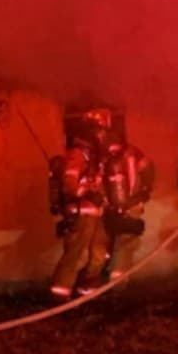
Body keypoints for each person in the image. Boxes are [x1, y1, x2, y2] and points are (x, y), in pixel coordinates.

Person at [49, 111, 109, 299]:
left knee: (99, 253)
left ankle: (87, 292)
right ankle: (60, 296)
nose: (102, 137)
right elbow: (69, 186)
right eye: (99, 132)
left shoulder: (93, 156)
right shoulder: (76, 155)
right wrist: (88, 194)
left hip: (95, 213)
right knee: (75, 256)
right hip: (81, 213)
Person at [100, 128, 155, 281]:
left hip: (112, 207)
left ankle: (111, 277)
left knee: (115, 241)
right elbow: (149, 172)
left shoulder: (103, 156)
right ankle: (117, 281)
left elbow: (100, 183)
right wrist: (144, 192)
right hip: (132, 205)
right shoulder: (134, 153)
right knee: (126, 242)